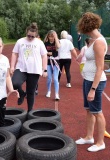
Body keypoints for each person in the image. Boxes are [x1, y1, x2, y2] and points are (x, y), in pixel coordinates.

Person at [75, 12, 107, 152]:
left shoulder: (99, 42)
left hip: (95, 82)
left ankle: (100, 142)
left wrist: (93, 89)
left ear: (87, 27)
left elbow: (100, 68)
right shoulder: (93, 40)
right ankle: (89, 137)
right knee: (89, 110)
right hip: (88, 79)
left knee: (97, 112)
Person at [10, 22, 47, 112]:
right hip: (21, 68)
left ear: (36, 35)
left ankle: (30, 111)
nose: (30, 38)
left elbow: (44, 55)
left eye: (32, 36)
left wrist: (44, 69)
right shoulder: (20, 41)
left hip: (34, 70)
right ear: (26, 32)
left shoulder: (39, 43)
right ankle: (22, 94)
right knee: (14, 83)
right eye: (29, 35)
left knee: (31, 92)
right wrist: (12, 66)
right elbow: (14, 53)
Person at [44, 30, 60, 100]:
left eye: (53, 36)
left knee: (56, 79)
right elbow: (43, 52)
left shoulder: (56, 42)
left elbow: (58, 47)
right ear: (48, 36)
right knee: (49, 78)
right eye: (50, 36)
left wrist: (56, 38)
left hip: (56, 62)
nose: (51, 38)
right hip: (48, 62)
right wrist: (48, 53)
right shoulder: (45, 43)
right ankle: (49, 91)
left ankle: (56, 94)